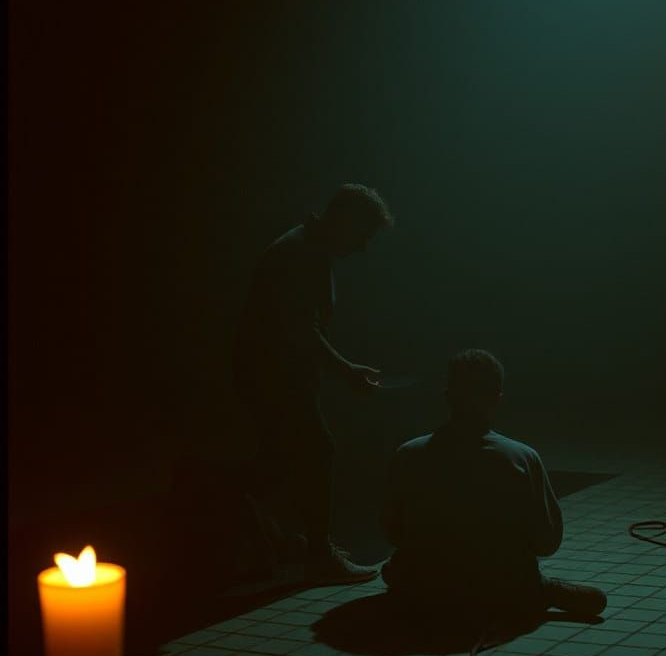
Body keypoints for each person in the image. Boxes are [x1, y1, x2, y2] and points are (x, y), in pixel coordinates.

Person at [233, 183, 394, 583]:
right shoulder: (301, 255)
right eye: (363, 236)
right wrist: (346, 370)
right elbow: (301, 331)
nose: (363, 248)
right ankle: (318, 554)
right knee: (317, 451)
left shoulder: (307, 248)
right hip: (275, 377)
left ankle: (229, 506)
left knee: (278, 460)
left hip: (273, 374)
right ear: (345, 223)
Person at [380, 349, 607, 630]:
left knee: (394, 571)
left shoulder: (407, 454)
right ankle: (537, 591)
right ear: (497, 398)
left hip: (425, 585)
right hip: (504, 588)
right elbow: (547, 542)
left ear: (447, 396)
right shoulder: (521, 457)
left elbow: (393, 533)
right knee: (595, 600)